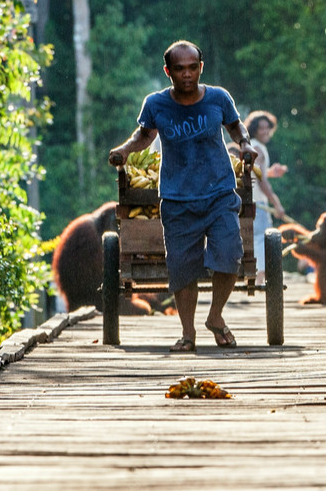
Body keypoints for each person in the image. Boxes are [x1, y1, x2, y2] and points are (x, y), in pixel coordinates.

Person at [108, 40, 255, 352]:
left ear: (201, 68)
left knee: (230, 256)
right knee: (182, 268)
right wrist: (124, 149)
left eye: (192, 68)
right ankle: (188, 335)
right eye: (180, 69)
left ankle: (215, 317)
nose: (187, 74)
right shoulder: (156, 104)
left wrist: (245, 144)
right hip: (177, 199)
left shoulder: (218, 98)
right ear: (168, 71)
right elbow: (144, 135)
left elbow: (235, 125)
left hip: (218, 193)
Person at [245, 110, 288, 286]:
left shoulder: (251, 146)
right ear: (254, 129)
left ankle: (256, 277)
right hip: (259, 203)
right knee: (261, 239)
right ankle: (259, 277)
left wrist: (271, 172)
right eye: (261, 128)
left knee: (254, 238)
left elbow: (256, 175)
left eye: (267, 128)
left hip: (250, 201)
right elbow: (261, 181)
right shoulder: (258, 148)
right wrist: (277, 204)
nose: (265, 131)